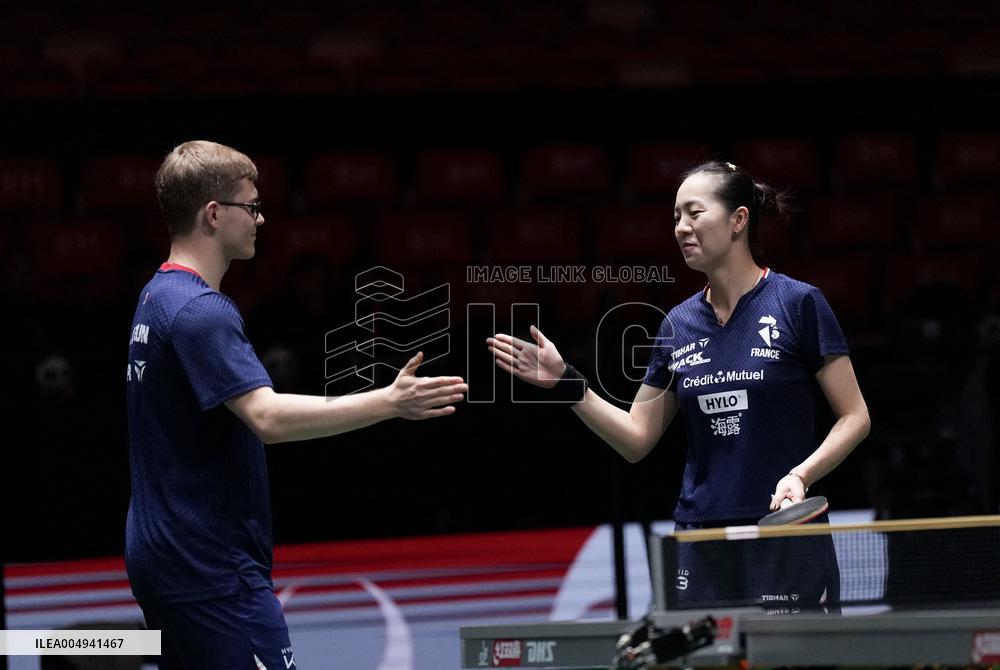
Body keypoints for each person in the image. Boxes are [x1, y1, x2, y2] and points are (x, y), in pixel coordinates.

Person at [126, 140, 467, 669]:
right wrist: (390, 401)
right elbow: (268, 418)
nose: (260, 219)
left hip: (167, 554)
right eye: (251, 206)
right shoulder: (200, 310)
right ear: (213, 214)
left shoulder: (156, 294)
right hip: (211, 568)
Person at [487, 159, 870, 610]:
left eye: (694, 212)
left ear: (738, 220)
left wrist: (801, 474)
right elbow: (636, 438)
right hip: (701, 540)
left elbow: (855, 417)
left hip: (782, 530)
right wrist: (566, 382)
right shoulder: (678, 324)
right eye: (675, 217)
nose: (681, 227)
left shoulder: (797, 303)